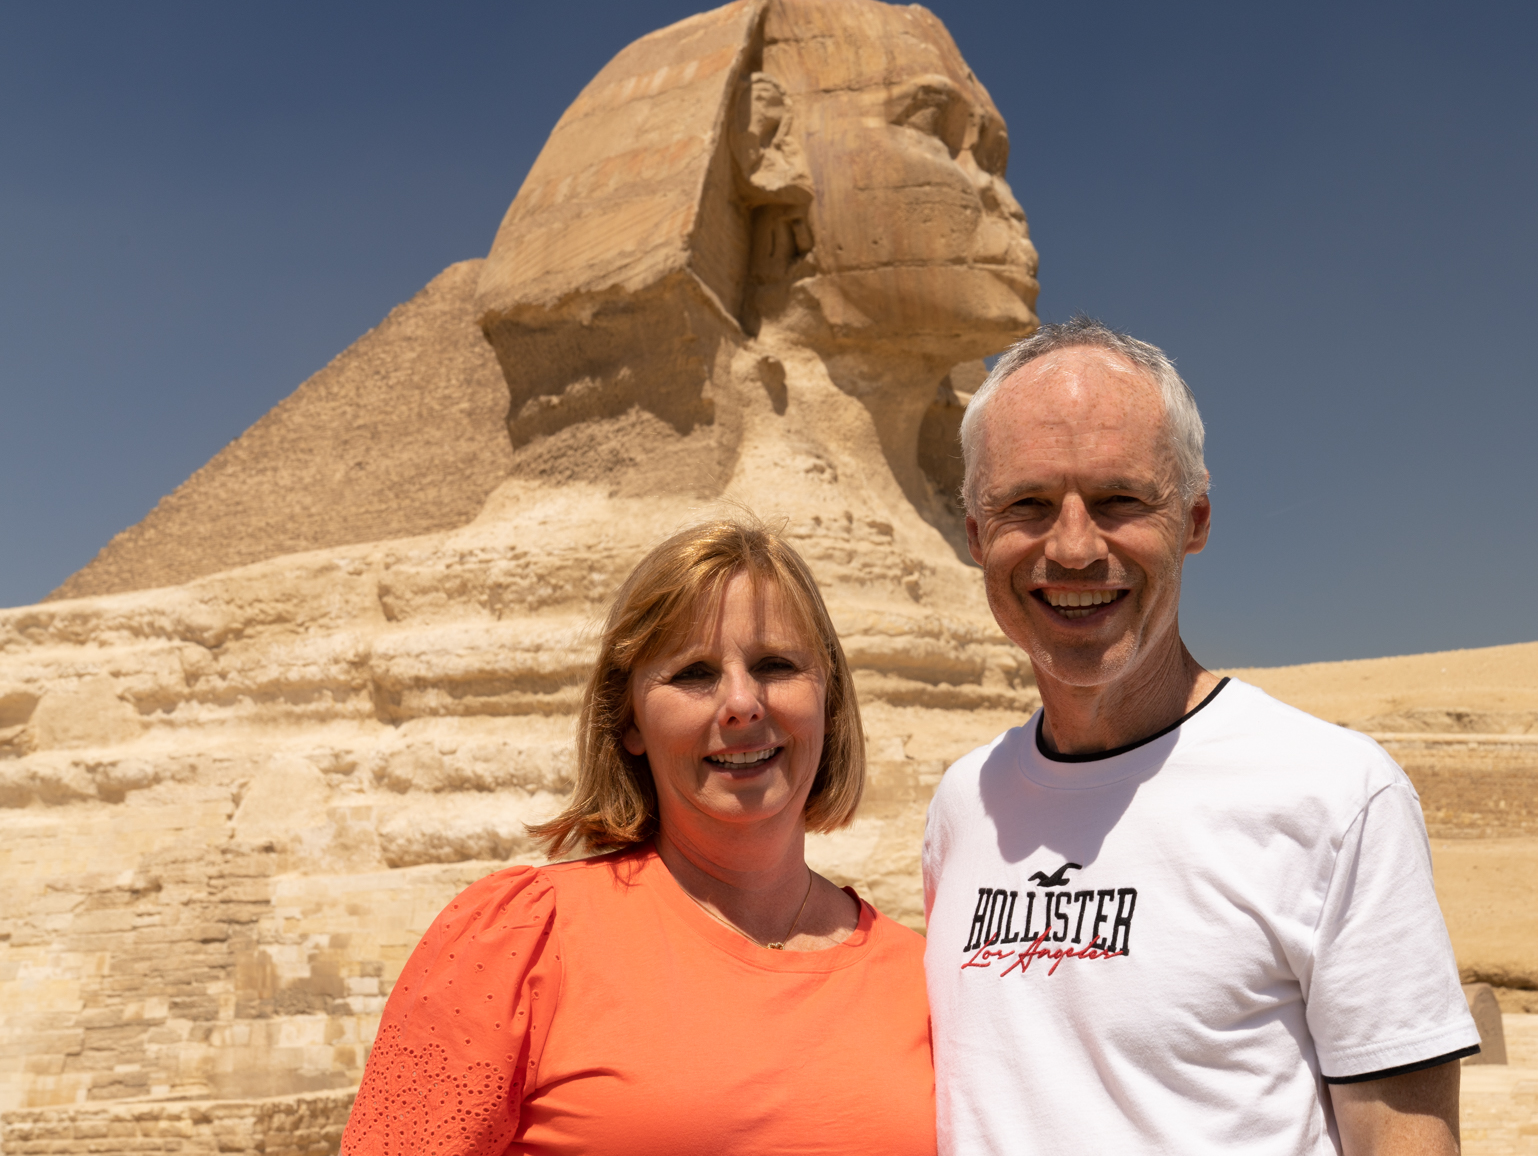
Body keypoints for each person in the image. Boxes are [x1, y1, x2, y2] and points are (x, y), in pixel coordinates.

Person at [922, 318, 1479, 1155]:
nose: (1073, 547)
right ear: (975, 537)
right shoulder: (965, 803)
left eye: (1119, 501)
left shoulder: (1334, 794)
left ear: (1195, 519)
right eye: (1028, 505)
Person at [342, 518, 934, 1155]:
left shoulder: (925, 979)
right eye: (694, 674)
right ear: (628, 721)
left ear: (829, 697)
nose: (742, 702)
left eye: (776, 665)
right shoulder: (520, 942)